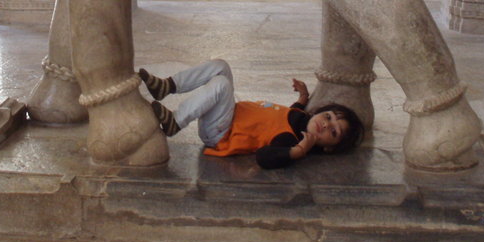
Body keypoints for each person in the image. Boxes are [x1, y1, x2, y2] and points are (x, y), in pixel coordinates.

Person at [139, 59, 364, 169]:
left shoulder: (291, 139)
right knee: (221, 66)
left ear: (328, 147)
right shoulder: (301, 120)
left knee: (221, 85)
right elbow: (295, 111)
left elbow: (264, 157)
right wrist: (303, 96)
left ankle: (175, 122)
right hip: (228, 116)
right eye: (328, 117)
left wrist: (297, 152)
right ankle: (167, 86)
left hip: (221, 133)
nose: (326, 124)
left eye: (333, 132)